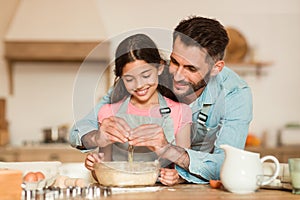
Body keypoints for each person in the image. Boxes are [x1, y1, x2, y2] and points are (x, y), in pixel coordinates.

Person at [70, 16, 253, 185]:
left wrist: (170, 152)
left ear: (215, 68)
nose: (178, 76)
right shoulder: (146, 76)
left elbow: (228, 164)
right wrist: (97, 137)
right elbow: (77, 131)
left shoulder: (235, 94)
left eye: (190, 68)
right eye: (175, 62)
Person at [82, 33, 192, 186]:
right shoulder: (108, 113)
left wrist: (177, 177)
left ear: (159, 68)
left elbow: (187, 168)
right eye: (129, 79)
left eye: (146, 75)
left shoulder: (180, 112)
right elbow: (104, 168)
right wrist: (95, 166)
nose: (139, 85)